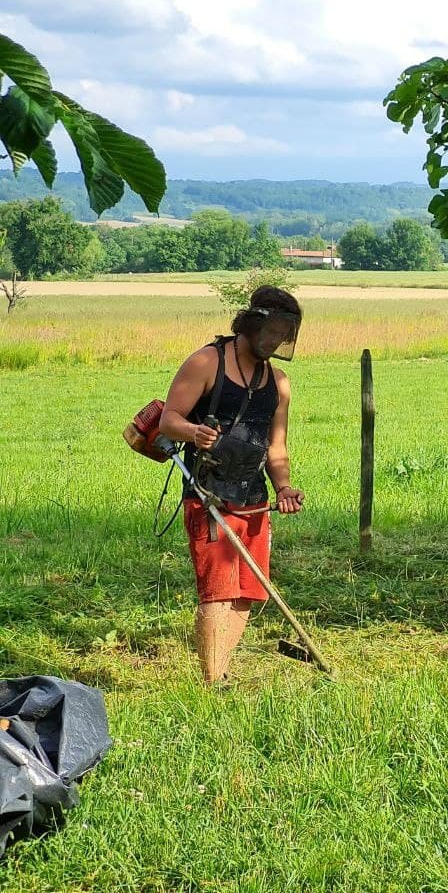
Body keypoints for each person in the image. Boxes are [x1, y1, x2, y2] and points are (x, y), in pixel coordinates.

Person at [159, 286, 305, 684]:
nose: (275, 341)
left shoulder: (280, 382)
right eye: (270, 332)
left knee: (246, 593)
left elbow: (276, 447)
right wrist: (193, 432)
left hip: (254, 499)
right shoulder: (207, 362)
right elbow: (168, 420)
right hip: (208, 495)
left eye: (282, 335)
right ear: (252, 324)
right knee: (217, 592)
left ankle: (221, 672)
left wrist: (285, 488)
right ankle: (211, 682)